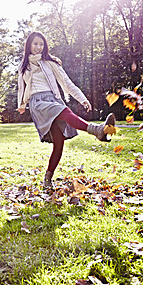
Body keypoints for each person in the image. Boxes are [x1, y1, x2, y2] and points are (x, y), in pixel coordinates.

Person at [17, 31, 115, 188]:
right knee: (64, 111)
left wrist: (82, 98)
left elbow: (67, 83)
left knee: (59, 142)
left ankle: (47, 178)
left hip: (53, 98)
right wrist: (21, 104)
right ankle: (96, 130)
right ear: (29, 45)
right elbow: (21, 88)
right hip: (38, 103)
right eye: (35, 44)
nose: (38, 47)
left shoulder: (51, 63)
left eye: (41, 44)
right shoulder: (24, 67)